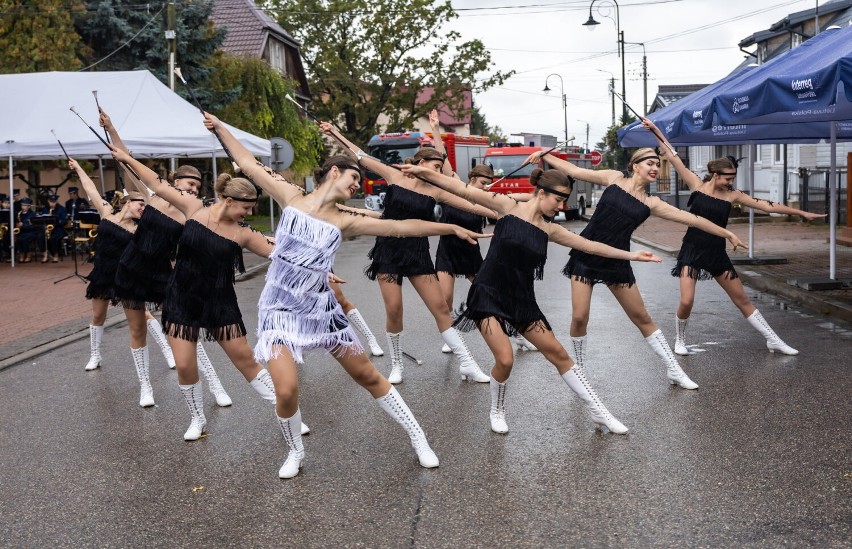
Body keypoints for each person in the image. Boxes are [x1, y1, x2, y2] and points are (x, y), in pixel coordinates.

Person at [205, 113, 490, 478]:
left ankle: (418, 436)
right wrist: (221, 127)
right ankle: (295, 450)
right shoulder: (290, 197)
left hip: (322, 311)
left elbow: (401, 226)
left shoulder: (345, 219)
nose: (358, 184)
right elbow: (247, 162)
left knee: (369, 376)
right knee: (287, 390)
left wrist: (449, 225)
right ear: (334, 173)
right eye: (354, 177)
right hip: (278, 311)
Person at [399, 162, 662, 433]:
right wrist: (422, 172)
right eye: (558, 199)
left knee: (558, 353)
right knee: (505, 359)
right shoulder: (506, 206)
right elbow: (459, 188)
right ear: (541, 193)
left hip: (523, 301)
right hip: (487, 295)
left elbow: (591, 245)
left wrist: (632, 255)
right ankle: (497, 410)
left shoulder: (550, 230)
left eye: (564, 201)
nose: (560, 206)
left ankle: (600, 412)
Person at [110, 146, 296, 442]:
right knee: (184, 365)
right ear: (228, 200)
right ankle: (197, 417)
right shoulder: (195, 209)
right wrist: (127, 158)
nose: (248, 213)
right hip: (181, 297)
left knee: (245, 361)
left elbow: (279, 254)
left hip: (219, 302)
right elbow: (157, 184)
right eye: (245, 207)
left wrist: (320, 269)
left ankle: (287, 412)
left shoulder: (243, 232)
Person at [526, 147, 747, 391]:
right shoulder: (613, 178)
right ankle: (579, 368)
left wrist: (726, 233)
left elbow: (693, 220)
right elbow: (573, 170)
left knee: (641, 317)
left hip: (618, 260)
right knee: (580, 316)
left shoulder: (651, 202)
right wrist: (543, 155)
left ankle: (674, 369)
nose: (654, 168)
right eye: (649, 163)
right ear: (635, 166)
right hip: (586, 254)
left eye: (657, 163)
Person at [324, 123, 496, 385]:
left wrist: (507, 214)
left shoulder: (437, 190)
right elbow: (360, 155)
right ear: (420, 162)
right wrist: (335, 132)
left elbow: (474, 204)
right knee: (394, 310)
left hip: (418, 252)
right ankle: (396, 365)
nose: (438, 172)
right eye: (435, 167)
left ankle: (468, 363)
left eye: (441, 168)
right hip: (389, 250)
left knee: (440, 308)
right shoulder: (395, 176)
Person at [643, 117, 824, 356]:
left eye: (733, 178)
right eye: (728, 178)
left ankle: (773, 340)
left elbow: (767, 206)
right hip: (692, 251)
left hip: (717, 253)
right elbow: (671, 153)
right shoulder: (696, 184)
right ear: (715, 175)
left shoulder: (733, 195)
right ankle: (680, 339)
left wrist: (801, 212)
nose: (731, 182)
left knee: (743, 300)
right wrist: (655, 130)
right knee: (687, 301)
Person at [101, 110, 232, 408]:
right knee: (137, 330)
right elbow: (125, 158)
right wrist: (110, 127)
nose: (193, 189)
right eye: (189, 184)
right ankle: (145, 386)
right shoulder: (152, 196)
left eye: (197, 187)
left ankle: (215, 385)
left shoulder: (191, 213)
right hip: (131, 269)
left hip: (164, 275)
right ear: (174, 181)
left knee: (184, 330)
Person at [68, 159, 159, 408]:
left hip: (128, 280)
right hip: (103, 276)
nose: (143, 210)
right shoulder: (106, 213)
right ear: (128, 202)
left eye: (145, 206)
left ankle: (145, 385)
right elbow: (91, 190)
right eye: (140, 205)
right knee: (97, 317)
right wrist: (78, 169)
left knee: (138, 327)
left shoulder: (139, 230)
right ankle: (95, 354)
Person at [39, 194, 67, 263]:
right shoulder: (45, 209)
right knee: (40, 237)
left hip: (58, 229)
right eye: (51, 202)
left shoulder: (62, 209)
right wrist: (45, 229)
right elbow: (41, 221)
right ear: (48, 201)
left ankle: (55, 255)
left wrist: (56, 222)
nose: (52, 203)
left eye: (54, 202)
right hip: (47, 229)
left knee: (53, 238)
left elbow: (64, 221)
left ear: (56, 201)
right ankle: (45, 254)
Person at [14, 197, 41, 263]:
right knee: (18, 239)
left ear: (29, 206)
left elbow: (33, 226)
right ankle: (22, 254)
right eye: (22, 205)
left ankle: (29, 255)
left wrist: (23, 225)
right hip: (22, 232)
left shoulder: (32, 214)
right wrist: (17, 226)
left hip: (32, 232)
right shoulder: (19, 214)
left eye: (25, 205)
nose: (23, 207)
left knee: (25, 239)